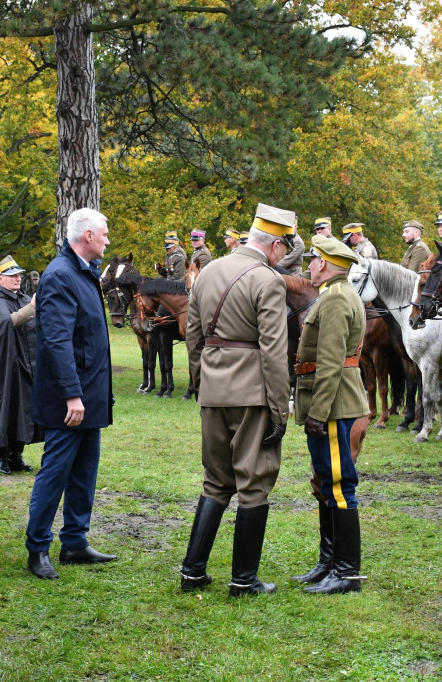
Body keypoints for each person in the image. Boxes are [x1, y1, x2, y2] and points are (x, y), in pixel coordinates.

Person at [179, 202, 292, 597]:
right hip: (252, 394)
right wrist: (279, 408)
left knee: (215, 481)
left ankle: (192, 571)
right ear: (275, 245)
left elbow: (193, 336)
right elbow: (274, 351)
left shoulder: (208, 271)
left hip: (213, 390)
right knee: (254, 482)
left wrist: (202, 382)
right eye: (284, 248)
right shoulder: (268, 280)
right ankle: (243, 580)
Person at [26, 208, 116, 580]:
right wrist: (71, 395)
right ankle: (37, 548)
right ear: (89, 235)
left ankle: (75, 542)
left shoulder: (84, 272)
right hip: (71, 400)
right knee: (56, 472)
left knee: (84, 472)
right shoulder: (61, 275)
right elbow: (57, 341)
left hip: (88, 396)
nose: (108, 240)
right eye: (105, 233)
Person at [293, 235, 370, 594]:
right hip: (332, 404)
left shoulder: (337, 298)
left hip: (335, 406)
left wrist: (318, 412)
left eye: (312, 259)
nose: (309, 265)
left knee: (339, 485)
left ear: (323, 263)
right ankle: (329, 563)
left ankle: (346, 573)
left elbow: (330, 362)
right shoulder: (335, 294)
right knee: (327, 483)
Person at [0, 256, 42, 475]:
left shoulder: (24, 298)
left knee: (24, 410)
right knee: (6, 408)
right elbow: (7, 323)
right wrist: (32, 307)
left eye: (19, 275)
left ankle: (17, 454)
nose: (18, 279)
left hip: (27, 365)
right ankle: (3, 457)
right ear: (0, 279)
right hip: (4, 368)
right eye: (12, 276)